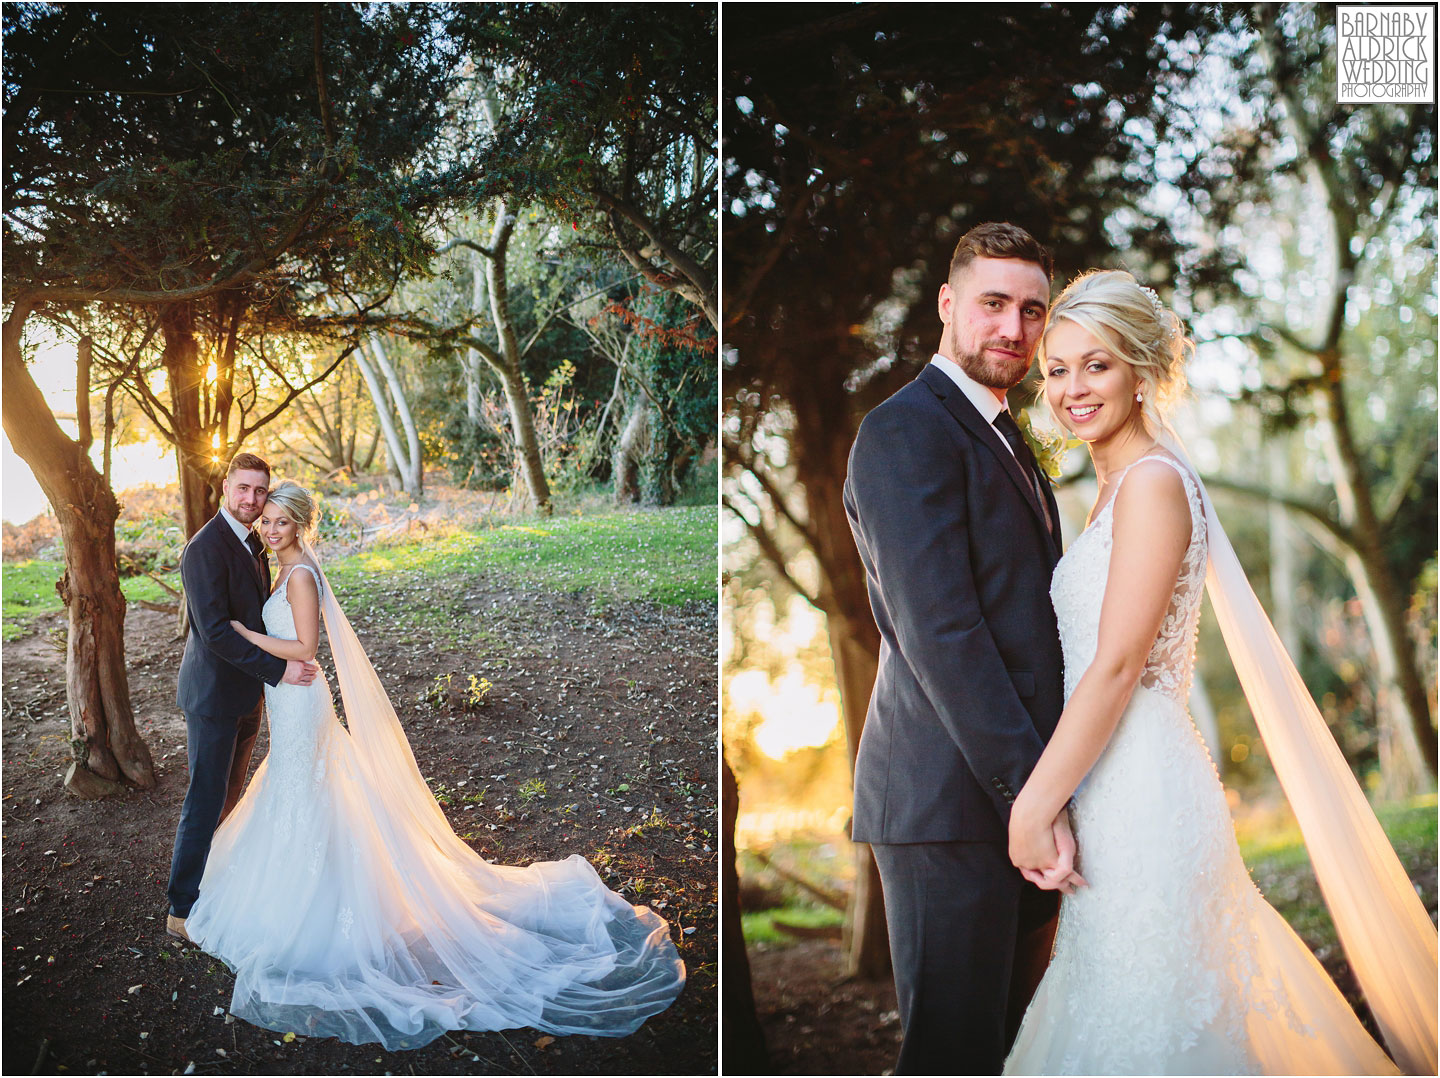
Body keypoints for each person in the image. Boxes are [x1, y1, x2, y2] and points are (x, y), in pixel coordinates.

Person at [1003, 269, 1434, 1074]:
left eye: (1097, 365)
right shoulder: (1113, 490)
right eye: (1057, 369)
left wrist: (1033, 804)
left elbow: (1120, 663)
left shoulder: (1155, 485)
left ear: (1139, 370)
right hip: (1107, 785)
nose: (1072, 388)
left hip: (1142, 793)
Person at [179, 480, 685, 1049]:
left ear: (299, 526)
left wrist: (246, 632)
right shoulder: (279, 567)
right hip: (288, 701)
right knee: (300, 791)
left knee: (306, 790)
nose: (270, 530)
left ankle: (325, 912)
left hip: (299, 695)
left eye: (280, 522)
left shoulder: (299, 576)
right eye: (266, 520)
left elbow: (304, 649)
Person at [842, 222, 1077, 1076]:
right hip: (949, 806)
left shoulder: (1009, 438)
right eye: (992, 304)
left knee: (1012, 1051)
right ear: (948, 305)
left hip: (1013, 799)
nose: (1013, 329)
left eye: (1031, 310)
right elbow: (943, 633)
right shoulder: (905, 431)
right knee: (951, 1056)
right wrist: (1034, 796)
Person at [167, 452, 319, 943]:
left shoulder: (255, 542)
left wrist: (268, 677)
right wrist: (278, 669)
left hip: (249, 695)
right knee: (205, 801)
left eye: (260, 491)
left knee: (230, 798)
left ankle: (218, 888)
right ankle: (181, 910)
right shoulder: (204, 549)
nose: (252, 500)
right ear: (225, 487)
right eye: (243, 489)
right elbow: (214, 632)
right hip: (213, 698)